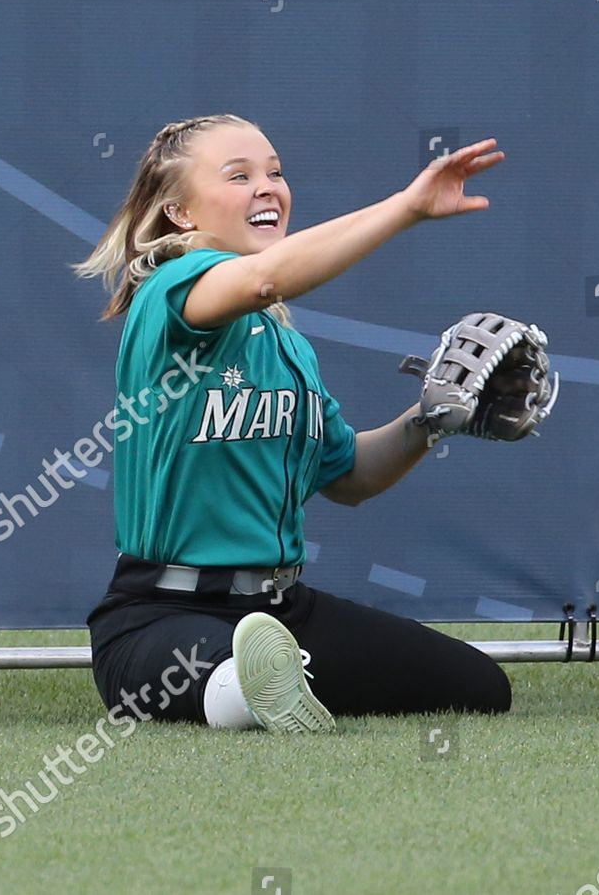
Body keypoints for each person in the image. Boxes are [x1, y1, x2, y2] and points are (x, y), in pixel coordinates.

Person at [72, 113, 511, 732]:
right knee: (228, 681)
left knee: (478, 687)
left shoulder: (282, 341)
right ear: (180, 214)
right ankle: (252, 688)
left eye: (275, 173)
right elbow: (266, 277)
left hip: (283, 611)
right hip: (158, 616)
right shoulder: (170, 294)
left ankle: (274, 679)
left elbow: (350, 475)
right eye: (239, 175)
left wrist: (432, 418)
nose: (267, 187)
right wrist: (406, 208)